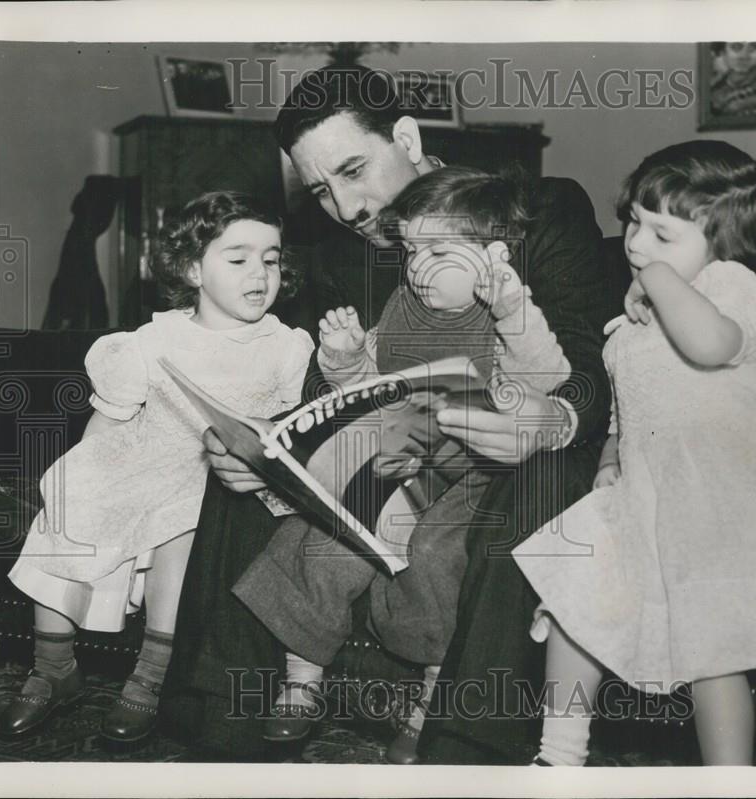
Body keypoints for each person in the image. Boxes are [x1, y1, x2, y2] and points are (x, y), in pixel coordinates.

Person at [160, 65, 615, 764]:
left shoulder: (538, 205)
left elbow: (585, 360)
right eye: (320, 188)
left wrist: (551, 418)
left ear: (405, 136)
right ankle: (223, 730)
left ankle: (464, 746)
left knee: (534, 484)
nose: (345, 206)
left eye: (352, 169)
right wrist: (270, 449)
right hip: (408, 445)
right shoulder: (346, 255)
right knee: (245, 467)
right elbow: (332, 391)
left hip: (531, 440)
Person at [512, 141, 756, 765]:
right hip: (649, 494)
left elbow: (708, 345)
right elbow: (627, 404)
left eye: (663, 236)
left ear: (722, 246)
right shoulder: (637, 321)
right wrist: (611, 454)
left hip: (724, 500)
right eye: (634, 224)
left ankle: (730, 777)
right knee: (573, 600)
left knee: (711, 655)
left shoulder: (738, 290)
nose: (638, 245)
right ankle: (558, 755)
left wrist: (663, 286)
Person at [232, 166, 572, 764]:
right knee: (324, 532)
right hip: (398, 445)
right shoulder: (405, 301)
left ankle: (430, 701)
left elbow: (547, 379)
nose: (417, 266)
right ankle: (301, 678)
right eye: (412, 249)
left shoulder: (509, 312)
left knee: (441, 555)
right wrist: (344, 360)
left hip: (475, 466)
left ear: (493, 258)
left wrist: (513, 307)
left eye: (438, 250)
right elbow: (376, 387)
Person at [0, 192, 312, 743]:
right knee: (75, 492)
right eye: (238, 259)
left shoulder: (286, 347)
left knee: (186, 518)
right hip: (146, 456)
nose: (260, 273)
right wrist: (88, 473)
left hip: (220, 477)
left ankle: (150, 675)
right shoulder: (151, 340)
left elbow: (292, 436)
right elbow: (108, 425)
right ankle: (53, 668)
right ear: (194, 268)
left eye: (272, 258)